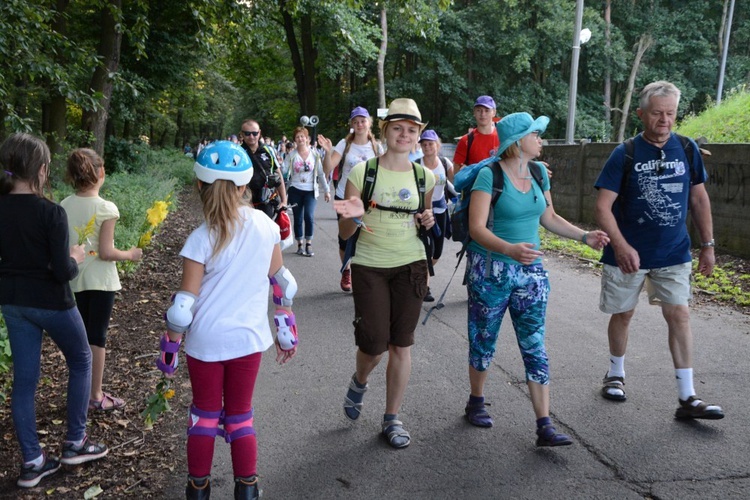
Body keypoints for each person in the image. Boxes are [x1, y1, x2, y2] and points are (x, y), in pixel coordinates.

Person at [155, 141, 298, 499]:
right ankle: (247, 488)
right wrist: (285, 330)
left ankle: (198, 488)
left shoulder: (200, 239)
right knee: (240, 416)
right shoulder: (265, 225)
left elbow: (182, 309)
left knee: (203, 416)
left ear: (199, 186)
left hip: (205, 343)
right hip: (248, 340)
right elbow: (282, 283)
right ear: (244, 186)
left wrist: (169, 352)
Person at [463, 113, 609, 446]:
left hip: (531, 274)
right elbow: (476, 229)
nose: (541, 139)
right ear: (517, 142)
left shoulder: (539, 172)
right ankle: (476, 400)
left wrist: (584, 236)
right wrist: (510, 249)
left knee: (535, 345)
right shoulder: (489, 176)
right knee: (483, 341)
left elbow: (549, 216)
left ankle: (544, 424)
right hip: (491, 272)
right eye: (535, 134)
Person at [594, 81, 724, 420]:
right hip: (628, 254)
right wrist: (621, 246)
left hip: (673, 251)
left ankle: (688, 397)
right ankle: (615, 375)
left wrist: (708, 246)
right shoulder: (625, 153)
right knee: (623, 314)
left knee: (679, 315)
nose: (664, 120)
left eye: (670, 113)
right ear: (641, 114)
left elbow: (698, 198)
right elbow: (602, 207)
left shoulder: (687, 148)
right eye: (657, 113)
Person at [0, 133, 109, 489]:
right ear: (42, 170)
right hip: (52, 302)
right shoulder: (51, 212)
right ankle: (75, 443)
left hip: (14, 303)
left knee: (24, 381)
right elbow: (62, 272)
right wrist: (75, 257)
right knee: (80, 360)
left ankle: (33, 462)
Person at [333, 98, 436, 449]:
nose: (404, 135)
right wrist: (352, 214)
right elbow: (345, 232)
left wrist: (428, 219)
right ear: (386, 131)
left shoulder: (427, 176)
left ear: (418, 135)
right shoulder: (362, 173)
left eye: (411, 130)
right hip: (370, 266)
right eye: (397, 128)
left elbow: (425, 219)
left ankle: (392, 418)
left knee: (401, 344)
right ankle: (360, 380)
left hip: (411, 264)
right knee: (374, 345)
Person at [60, 149, 143, 412]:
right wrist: (130, 254)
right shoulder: (106, 208)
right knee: (97, 339)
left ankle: (79, 391)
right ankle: (95, 395)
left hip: (74, 280)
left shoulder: (64, 205)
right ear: (100, 173)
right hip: (100, 283)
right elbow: (107, 253)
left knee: (80, 338)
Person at [318, 106, 381, 292]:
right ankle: (346, 270)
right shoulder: (344, 144)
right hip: (346, 196)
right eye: (356, 121)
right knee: (345, 238)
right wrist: (327, 152)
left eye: (363, 120)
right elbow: (328, 169)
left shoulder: (377, 147)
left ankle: (364, 274)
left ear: (369, 122)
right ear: (352, 124)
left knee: (368, 238)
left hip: (370, 199)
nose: (360, 124)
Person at [417, 129, 455, 302]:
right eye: (424, 144)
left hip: (441, 212)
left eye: (430, 144)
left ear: (437, 145)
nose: (427, 147)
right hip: (423, 213)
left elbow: (455, 184)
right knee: (427, 248)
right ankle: (424, 286)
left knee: (437, 253)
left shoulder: (445, 163)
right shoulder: (416, 165)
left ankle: (418, 274)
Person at [283, 126, 331, 257]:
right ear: (295, 140)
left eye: (302, 136)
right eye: (297, 137)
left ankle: (308, 244)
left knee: (308, 216)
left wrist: (327, 190)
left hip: (310, 190)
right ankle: (299, 244)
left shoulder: (314, 154)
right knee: (298, 218)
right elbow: (283, 170)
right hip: (295, 190)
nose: (300, 139)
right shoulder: (291, 156)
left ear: (307, 139)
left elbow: (321, 174)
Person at [239, 119, 288, 219]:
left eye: (254, 133)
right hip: (244, 202)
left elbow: (278, 175)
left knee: (266, 231)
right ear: (242, 134)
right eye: (247, 133)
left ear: (259, 133)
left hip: (266, 201)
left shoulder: (268, 150)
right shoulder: (237, 152)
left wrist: (284, 201)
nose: (251, 137)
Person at [452, 95, 500, 172]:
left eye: (487, 110)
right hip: (474, 183)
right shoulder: (466, 141)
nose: (483, 114)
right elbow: (457, 173)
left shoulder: (502, 138)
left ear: (494, 112)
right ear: (474, 112)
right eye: (479, 110)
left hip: (498, 183)